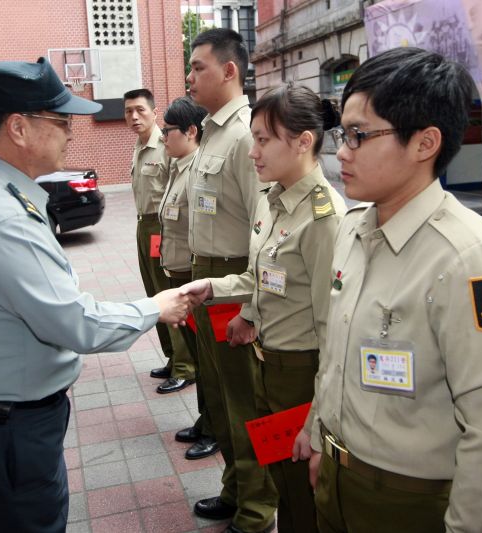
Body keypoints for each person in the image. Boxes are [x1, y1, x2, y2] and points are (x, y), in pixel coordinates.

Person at [0, 58, 197, 533]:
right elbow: (77, 324)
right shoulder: (2, 218)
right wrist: (156, 307)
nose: (70, 132)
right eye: (61, 121)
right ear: (17, 127)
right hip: (6, 429)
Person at [310, 47, 482, 533]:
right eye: (341, 134)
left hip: (409, 503)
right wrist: (318, 437)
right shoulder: (352, 229)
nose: (341, 151)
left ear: (425, 142)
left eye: (358, 135)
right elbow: (336, 353)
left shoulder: (471, 259)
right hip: (334, 478)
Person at [183, 85, 346, 533]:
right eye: (253, 138)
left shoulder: (323, 217)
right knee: (280, 477)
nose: (252, 151)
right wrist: (215, 290)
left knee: (303, 494)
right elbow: (263, 279)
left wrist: (317, 418)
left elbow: (332, 328)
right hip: (267, 362)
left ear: (303, 141)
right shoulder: (275, 199)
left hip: (300, 372)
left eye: (263, 139)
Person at [185, 27, 278, 533]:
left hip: (234, 278)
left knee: (245, 400)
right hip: (207, 276)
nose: (190, 76)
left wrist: (251, 306)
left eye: (199, 66)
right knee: (218, 397)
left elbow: (264, 232)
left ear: (229, 70)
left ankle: (259, 505)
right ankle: (235, 485)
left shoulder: (246, 134)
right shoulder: (211, 130)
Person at [158, 97, 218, 458]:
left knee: (208, 365)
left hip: (193, 277)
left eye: (168, 131)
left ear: (191, 132)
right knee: (199, 358)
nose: (163, 137)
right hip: (178, 272)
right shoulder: (179, 167)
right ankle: (205, 418)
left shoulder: (198, 171)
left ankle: (213, 427)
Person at [124, 89, 192, 392]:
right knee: (154, 295)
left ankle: (185, 366)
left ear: (154, 112)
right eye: (128, 111)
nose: (134, 117)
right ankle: (171, 356)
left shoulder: (164, 146)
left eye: (140, 110)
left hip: (162, 228)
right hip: (143, 226)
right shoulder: (139, 147)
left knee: (169, 294)